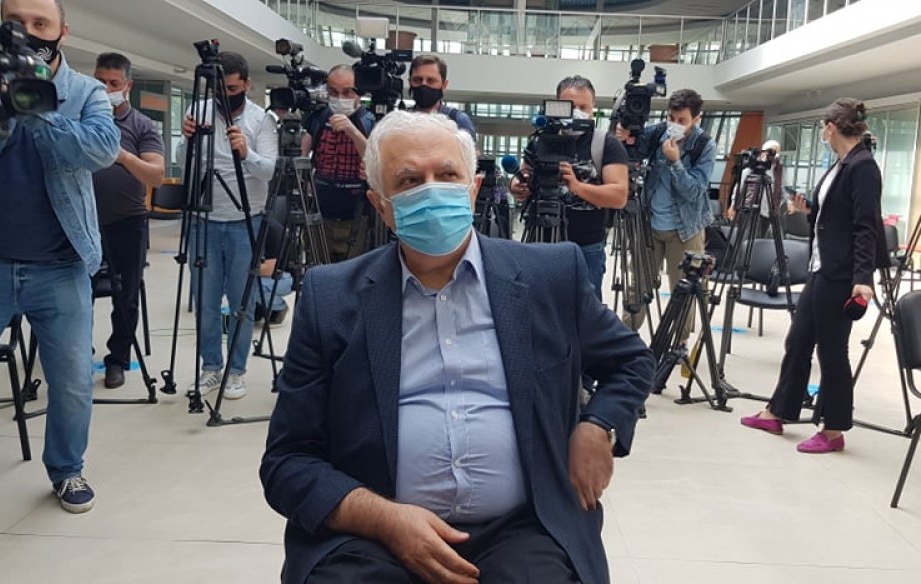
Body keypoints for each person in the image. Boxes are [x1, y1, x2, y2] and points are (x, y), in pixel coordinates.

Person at [260, 110, 653, 584]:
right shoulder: (331, 297)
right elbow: (287, 461)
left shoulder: (551, 276)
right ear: (381, 205)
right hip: (374, 530)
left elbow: (631, 361)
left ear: (473, 187)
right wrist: (382, 518)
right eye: (409, 181)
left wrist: (599, 424)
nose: (432, 191)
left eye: (447, 174)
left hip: (524, 526)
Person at [0, 0, 120, 513]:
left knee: (72, 381)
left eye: (40, 24)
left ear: (62, 32)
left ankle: (67, 470)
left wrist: (31, 107)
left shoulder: (84, 91)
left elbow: (100, 148)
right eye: (16, 23)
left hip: (61, 264)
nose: (28, 33)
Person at [739, 98, 889, 454]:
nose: (823, 132)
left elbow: (866, 226)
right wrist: (810, 209)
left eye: (824, 127)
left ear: (831, 128)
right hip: (822, 267)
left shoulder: (863, 167)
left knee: (832, 351)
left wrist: (863, 278)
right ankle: (778, 411)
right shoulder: (843, 163)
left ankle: (834, 430)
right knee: (799, 341)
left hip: (841, 273)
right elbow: (836, 213)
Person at [178, 51, 278, 400]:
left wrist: (246, 153)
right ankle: (210, 368)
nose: (225, 95)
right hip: (203, 220)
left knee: (241, 303)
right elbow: (183, 164)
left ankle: (236, 371)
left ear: (246, 85)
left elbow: (270, 171)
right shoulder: (199, 110)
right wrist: (187, 142)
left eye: (232, 89)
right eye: (220, 89)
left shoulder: (261, 120)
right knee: (205, 303)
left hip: (244, 221)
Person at [508, 75, 629, 299]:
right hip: (540, 242)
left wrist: (577, 186)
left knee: (584, 312)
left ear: (593, 108)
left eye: (584, 107)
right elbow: (524, 175)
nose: (577, 113)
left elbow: (619, 196)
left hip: (586, 248)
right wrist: (517, 185)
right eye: (570, 107)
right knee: (537, 306)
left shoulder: (606, 143)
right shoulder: (540, 141)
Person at [92, 52, 166, 389]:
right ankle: (76, 354)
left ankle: (117, 360)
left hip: (127, 223)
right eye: (100, 82)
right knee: (74, 292)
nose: (106, 89)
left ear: (128, 86)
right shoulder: (82, 117)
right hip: (83, 223)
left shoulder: (142, 125)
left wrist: (121, 156)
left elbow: (156, 175)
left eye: (113, 83)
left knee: (126, 295)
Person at [617, 89, 717, 332]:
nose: (674, 124)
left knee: (683, 288)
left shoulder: (704, 145)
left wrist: (675, 161)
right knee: (638, 284)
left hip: (686, 229)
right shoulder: (657, 133)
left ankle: (679, 341)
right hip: (649, 224)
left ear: (696, 119)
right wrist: (624, 136)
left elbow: (694, 191)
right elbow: (631, 151)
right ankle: (626, 336)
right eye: (671, 118)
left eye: (682, 120)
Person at [301, 65, 375, 262]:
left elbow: (375, 161)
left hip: (357, 217)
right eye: (333, 92)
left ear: (358, 92)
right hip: (320, 213)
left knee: (354, 272)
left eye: (347, 91)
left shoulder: (369, 121)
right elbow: (301, 156)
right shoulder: (318, 118)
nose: (340, 98)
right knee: (318, 270)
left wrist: (352, 131)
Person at [407, 54, 477, 141]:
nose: (423, 85)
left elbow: (470, 149)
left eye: (431, 80)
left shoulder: (458, 120)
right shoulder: (401, 121)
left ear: (444, 85)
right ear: (410, 82)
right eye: (418, 80)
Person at [728, 139, 786, 238]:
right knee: (747, 238)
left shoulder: (779, 170)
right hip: (749, 209)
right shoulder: (751, 168)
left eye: (777, 151)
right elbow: (739, 187)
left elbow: (782, 187)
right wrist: (733, 204)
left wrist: (788, 202)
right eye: (772, 151)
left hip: (768, 211)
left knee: (760, 239)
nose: (775, 155)